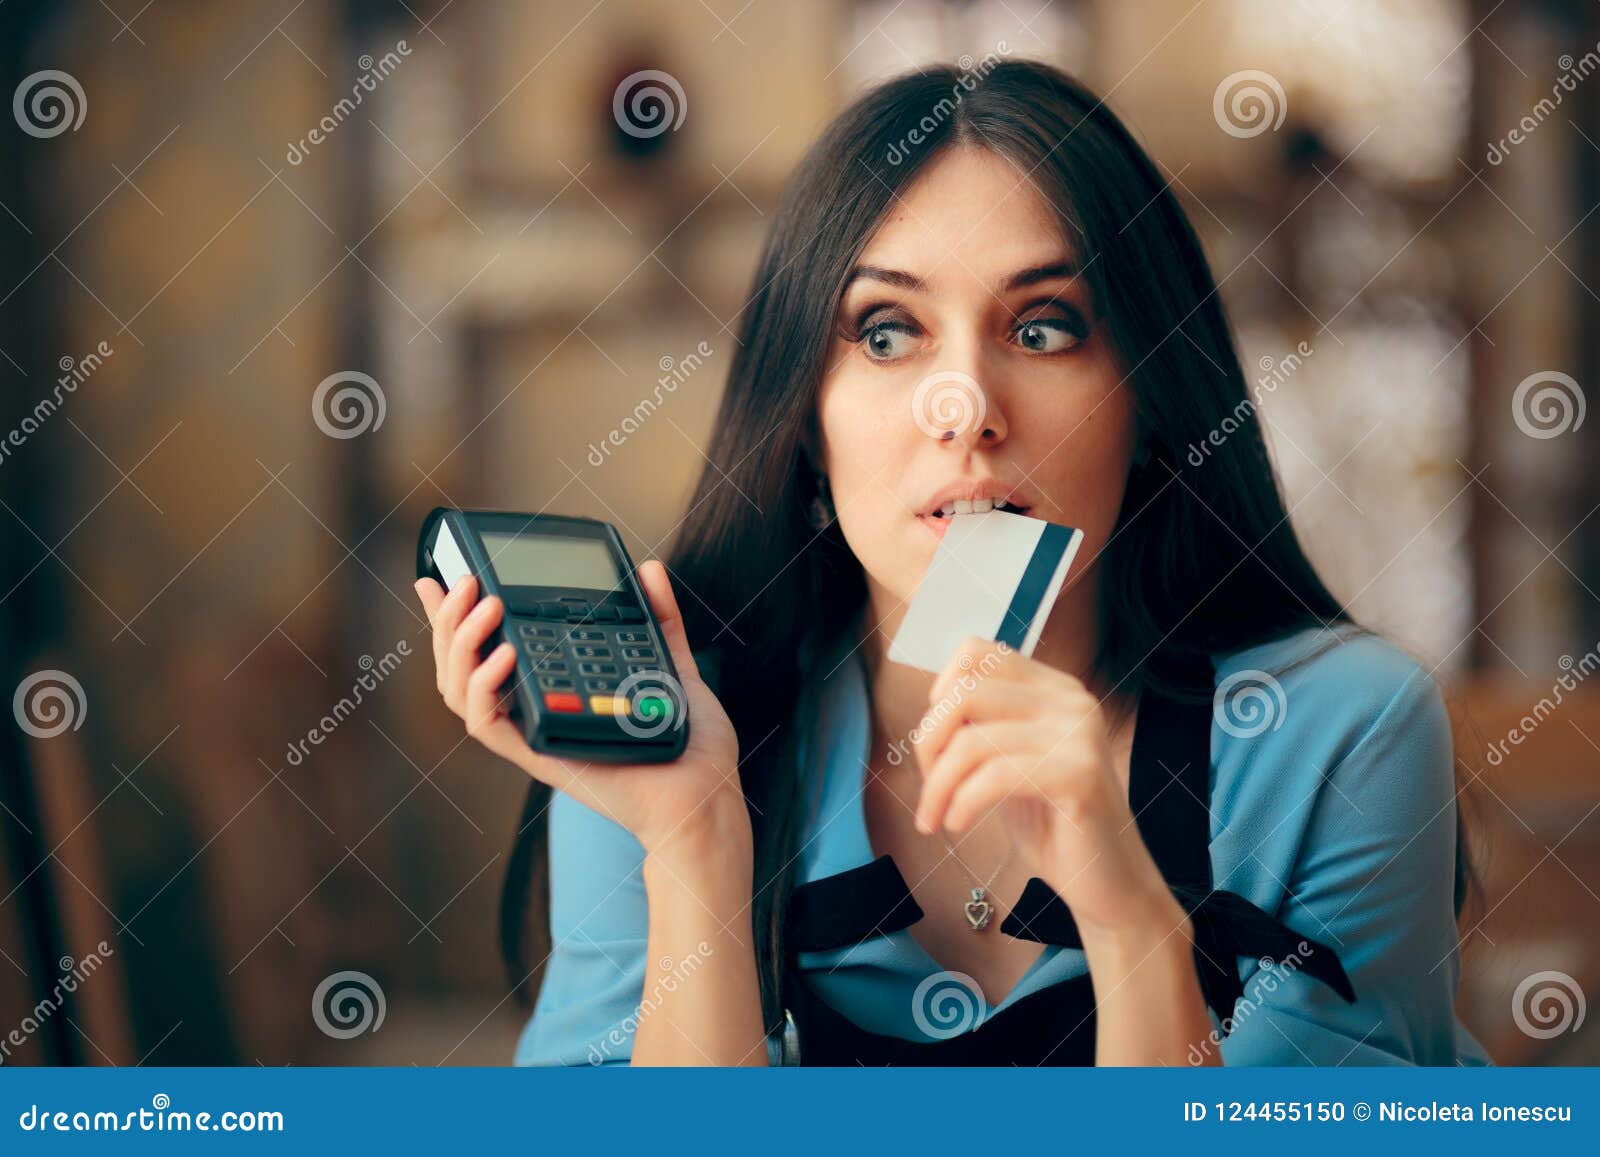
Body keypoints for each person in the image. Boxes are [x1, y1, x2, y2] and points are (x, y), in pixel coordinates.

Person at [414, 59, 1491, 1066]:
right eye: (886, 334)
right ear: (802, 422)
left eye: (1044, 328)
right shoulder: (675, 726)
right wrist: (695, 845)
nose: (964, 406)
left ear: (1151, 402)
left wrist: (1128, 917)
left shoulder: (1342, 730)